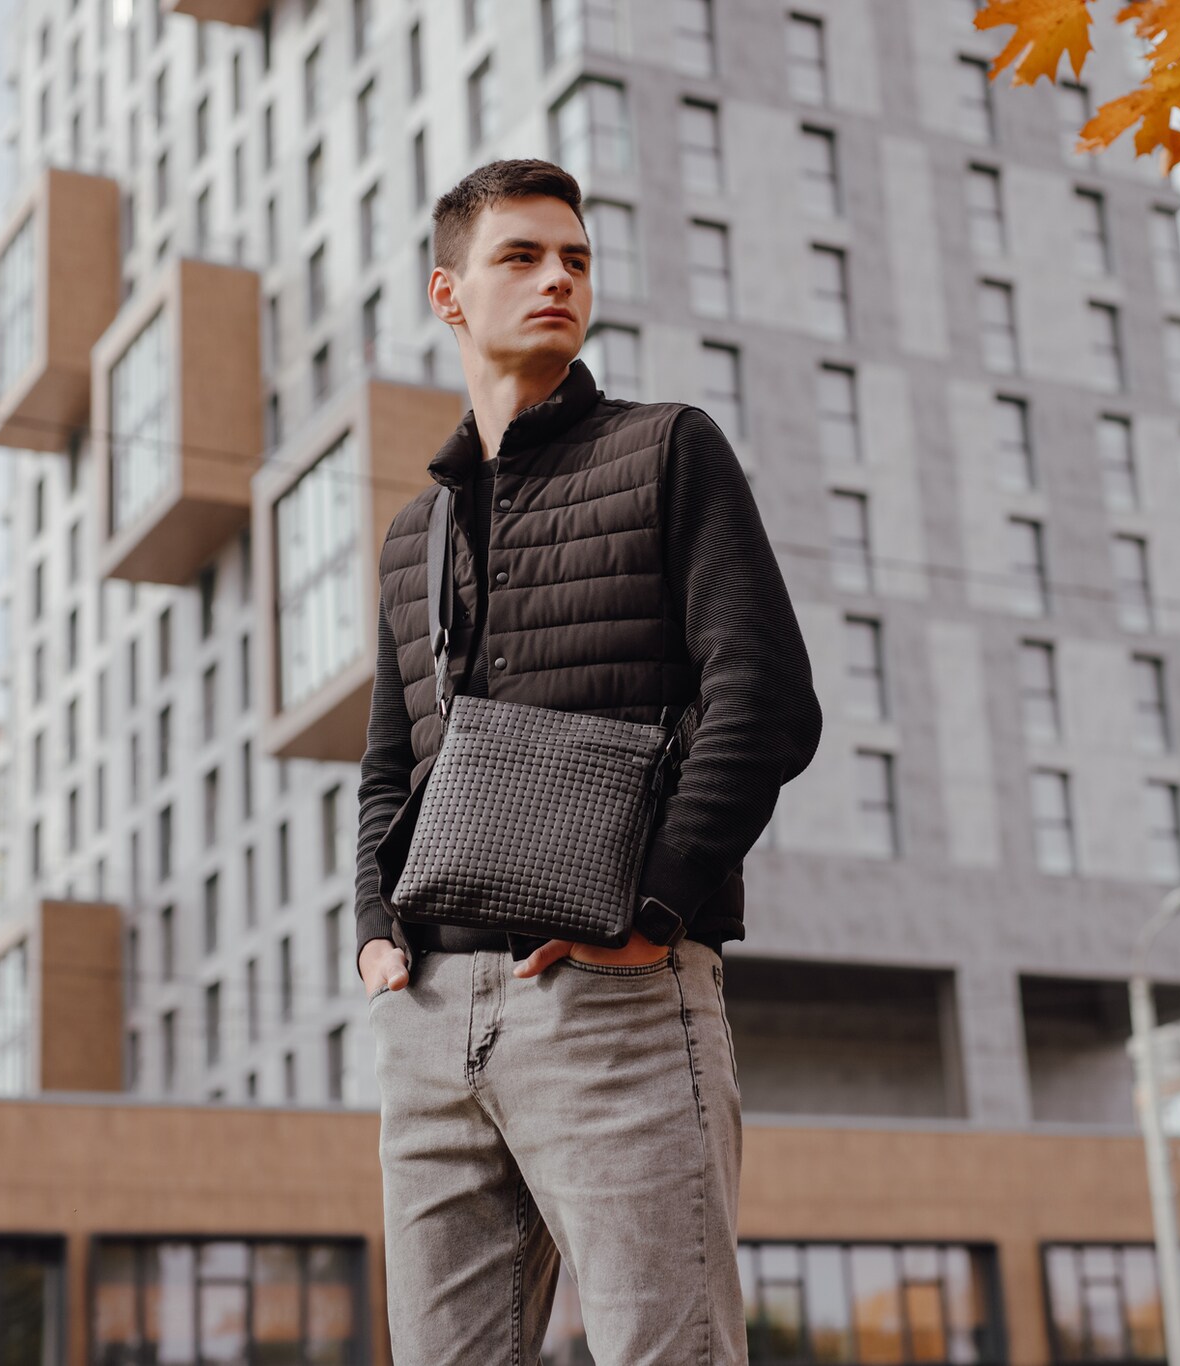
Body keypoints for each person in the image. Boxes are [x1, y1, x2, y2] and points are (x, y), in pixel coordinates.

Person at [350, 158, 823, 1364]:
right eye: (521, 256)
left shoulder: (668, 449)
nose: (558, 277)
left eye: (575, 258)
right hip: (426, 1016)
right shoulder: (416, 532)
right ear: (447, 295)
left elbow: (765, 699)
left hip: (609, 993)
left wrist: (655, 908)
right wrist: (374, 926)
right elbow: (389, 765)